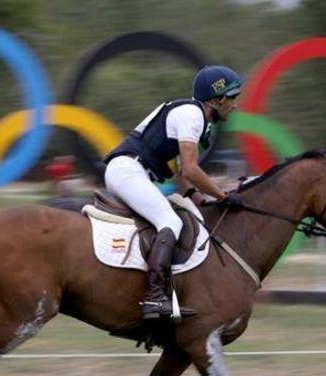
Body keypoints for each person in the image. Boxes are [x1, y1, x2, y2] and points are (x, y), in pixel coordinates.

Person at [102, 65, 241, 320]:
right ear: (216, 99)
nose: (235, 105)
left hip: (130, 172)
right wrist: (222, 195)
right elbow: (190, 169)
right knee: (170, 221)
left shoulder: (194, 115)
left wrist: (200, 200)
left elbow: (179, 174)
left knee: (177, 216)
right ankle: (155, 298)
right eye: (232, 97)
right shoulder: (193, 115)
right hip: (128, 171)